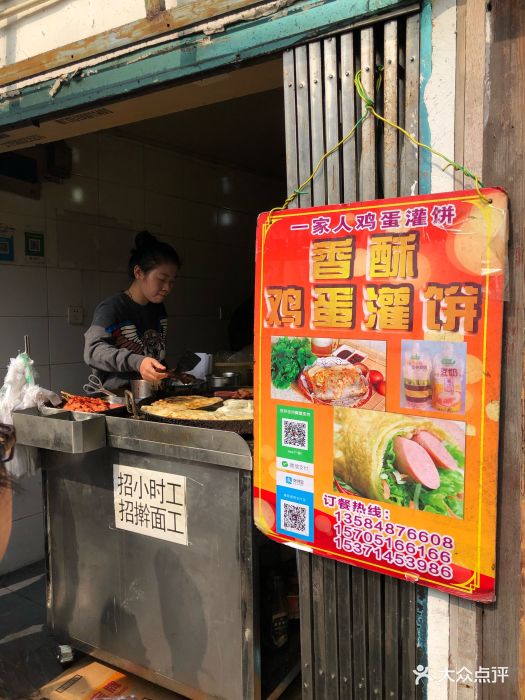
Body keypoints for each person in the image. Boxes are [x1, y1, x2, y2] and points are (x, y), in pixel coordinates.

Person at [84, 231, 180, 391]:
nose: (167, 288)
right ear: (138, 272)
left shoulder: (158, 307)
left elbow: (153, 355)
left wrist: (169, 374)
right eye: (162, 279)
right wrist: (138, 362)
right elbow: (93, 351)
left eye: (171, 282)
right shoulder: (112, 308)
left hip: (152, 397)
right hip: (117, 400)